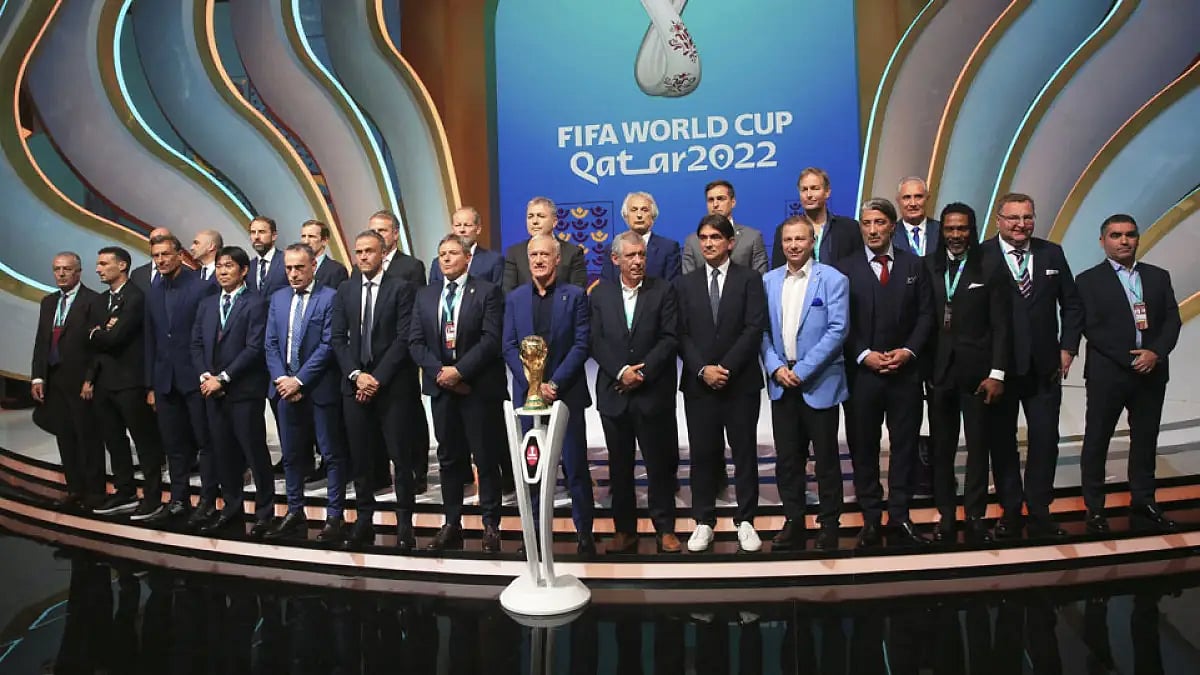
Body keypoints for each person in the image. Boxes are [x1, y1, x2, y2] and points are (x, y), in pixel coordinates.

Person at [980, 193, 1083, 539]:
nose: (1020, 224)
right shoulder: (981, 256)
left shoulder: (1051, 253)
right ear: (999, 220)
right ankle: (1010, 511)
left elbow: (1072, 304)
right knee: (1001, 441)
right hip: (1000, 370)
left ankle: (1039, 510)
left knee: (1045, 439)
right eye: (1013, 218)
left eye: (1027, 217)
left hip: (1044, 368)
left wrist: (1068, 347)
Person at [836, 198, 933, 547]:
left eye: (879, 222)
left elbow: (927, 315)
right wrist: (864, 355)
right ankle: (872, 518)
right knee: (864, 448)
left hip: (905, 374)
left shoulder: (914, 264)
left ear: (893, 225)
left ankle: (901, 515)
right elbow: (839, 321)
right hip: (862, 375)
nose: (873, 230)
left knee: (904, 446)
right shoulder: (843, 268)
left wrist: (908, 352)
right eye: (867, 223)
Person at [1077, 214, 1181, 534]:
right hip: (1109, 373)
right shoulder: (1087, 280)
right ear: (1102, 241)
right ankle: (1095, 508)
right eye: (1116, 235)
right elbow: (1091, 327)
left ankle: (1144, 501)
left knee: (1145, 440)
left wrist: (1155, 353)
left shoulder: (1158, 276)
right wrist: (1129, 358)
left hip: (1151, 372)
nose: (1124, 240)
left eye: (1130, 234)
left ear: (1137, 238)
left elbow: (1172, 321)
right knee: (1097, 440)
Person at [675, 214, 768, 552]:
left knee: (744, 453)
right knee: (702, 455)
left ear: (730, 242)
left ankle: (747, 520)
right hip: (699, 385)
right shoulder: (684, 284)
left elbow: (754, 328)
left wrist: (725, 367)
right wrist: (703, 369)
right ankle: (703, 521)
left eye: (715, 237)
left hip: (740, 382)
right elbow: (680, 333)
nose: (709, 243)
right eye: (703, 238)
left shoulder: (749, 280)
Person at [409, 234, 506, 552]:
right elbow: (415, 342)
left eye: (452, 253)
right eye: (442, 254)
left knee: (485, 458)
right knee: (449, 459)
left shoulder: (487, 291)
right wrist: (441, 373)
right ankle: (451, 523)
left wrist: (460, 371)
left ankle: (491, 525)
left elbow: (491, 340)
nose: (446, 259)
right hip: (442, 390)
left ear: (468, 258)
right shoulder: (426, 294)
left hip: (478, 389)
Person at [923, 203, 1011, 544]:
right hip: (939, 374)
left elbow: (1002, 325)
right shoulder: (928, 266)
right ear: (941, 231)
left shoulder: (990, 265)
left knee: (978, 448)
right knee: (941, 450)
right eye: (950, 229)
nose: (956, 235)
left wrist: (997, 372)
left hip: (979, 375)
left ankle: (975, 517)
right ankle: (946, 516)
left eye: (962, 228)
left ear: (972, 230)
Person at [760, 216, 850, 551]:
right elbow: (762, 331)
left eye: (800, 239)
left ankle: (829, 524)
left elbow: (838, 330)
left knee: (825, 460)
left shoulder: (833, 279)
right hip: (782, 382)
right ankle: (794, 521)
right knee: (787, 461)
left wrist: (804, 369)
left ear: (812, 241)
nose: (793, 245)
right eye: (788, 240)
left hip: (819, 382)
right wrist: (775, 367)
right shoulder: (768, 281)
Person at [503, 234, 595, 555]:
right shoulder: (514, 298)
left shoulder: (576, 296)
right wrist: (532, 384)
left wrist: (553, 384)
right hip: (528, 399)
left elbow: (582, 344)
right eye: (533, 255)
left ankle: (584, 533)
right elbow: (508, 346)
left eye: (545, 254)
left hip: (565, 394)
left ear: (558, 259)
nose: (539, 260)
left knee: (575, 467)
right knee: (533, 469)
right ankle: (535, 534)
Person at [591, 231, 682, 553]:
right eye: (630, 256)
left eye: (641, 255)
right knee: (620, 468)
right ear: (615, 259)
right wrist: (621, 372)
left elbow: (670, 338)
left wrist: (641, 373)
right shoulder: (600, 295)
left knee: (659, 466)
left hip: (652, 393)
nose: (638, 261)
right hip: (614, 394)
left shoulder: (663, 290)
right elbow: (595, 340)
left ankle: (665, 529)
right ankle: (625, 531)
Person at [331, 230, 420, 551]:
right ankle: (364, 519)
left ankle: (405, 523)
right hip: (354, 386)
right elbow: (337, 338)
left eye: (369, 251)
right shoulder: (345, 289)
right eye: (359, 252)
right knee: (361, 458)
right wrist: (357, 376)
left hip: (392, 387)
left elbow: (403, 338)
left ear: (383, 253)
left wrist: (376, 379)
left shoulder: (401, 288)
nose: (363, 256)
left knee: (400, 457)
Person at [263, 243, 347, 545]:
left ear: (313, 266)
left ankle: (334, 517)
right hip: (284, 389)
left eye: (299, 267)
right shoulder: (278, 298)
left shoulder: (330, 297)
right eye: (289, 268)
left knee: (331, 454)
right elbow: (271, 344)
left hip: (319, 388)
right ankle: (294, 511)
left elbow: (328, 345)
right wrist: (282, 380)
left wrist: (299, 381)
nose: (294, 273)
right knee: (292, 456)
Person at [190, 246, 274, 537]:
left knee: (254, 453)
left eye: (228, 266)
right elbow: (196, 343)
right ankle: (231, 509)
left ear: (244, 270)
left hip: (243, 391)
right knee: (223, 453)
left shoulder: (256, 303)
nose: (223, 271)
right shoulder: (207, 303)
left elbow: (254, 348)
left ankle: (265, 514)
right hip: (211, 390)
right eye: (219, 266)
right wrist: (205, 374)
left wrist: (223, 378)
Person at [142, 234, 219, 526]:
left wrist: (208, 373)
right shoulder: (153, 291)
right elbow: (151, 339)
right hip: (165, 380)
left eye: (165, 254)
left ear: (179, 255)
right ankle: (178, 500)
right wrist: (150, 384)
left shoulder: (202, 286)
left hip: (195, 378)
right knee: (173, 445)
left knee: (205, 442)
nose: (161, 260)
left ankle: (208, 501)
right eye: (156, 256)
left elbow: (209, 335)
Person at [85, 247, 164, 518]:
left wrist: (99, 333)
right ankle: (125, 490)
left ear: (122, 266)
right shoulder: (99, 301)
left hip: (131, 382)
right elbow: (91, 339)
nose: (98, 269)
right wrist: (99, 335)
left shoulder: (136, 298)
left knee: (144, 442)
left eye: (104, 263)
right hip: (104, 382)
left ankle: (152, 497)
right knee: (114, 440)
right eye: (98, 264)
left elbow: (115, 337)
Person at [30, 252, 103, 510]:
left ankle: (95, 492)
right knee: (65, 436)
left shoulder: (93, 301)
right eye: (57, 269)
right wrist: (38, 376)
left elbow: (97, 348)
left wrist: (90, 378)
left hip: (81, 381)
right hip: (54, 379)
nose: (61, 274)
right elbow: (41, 341)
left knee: (88, 436)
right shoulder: (48, 302)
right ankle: (74, 489)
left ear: (78, 272)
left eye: (66, 269)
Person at [368, 210, 430, 492]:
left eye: (382, 230)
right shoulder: (361, 267)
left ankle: (417, 472)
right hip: (371, 355)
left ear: (395, 234)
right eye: (373, 230)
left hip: (401, 352)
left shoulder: (411, 266)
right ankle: (381, 473)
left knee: (408, 414)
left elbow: (415, 312)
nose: (377, 235)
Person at [770, 168, 861, 268]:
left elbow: (859, 268)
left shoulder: (849, 228)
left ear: (827, 192)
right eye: (804, 189)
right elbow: (778, 271)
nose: (809, 195)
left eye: (814, 188)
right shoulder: (785, 230)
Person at [503, 196, 588, 292]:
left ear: (554, 222)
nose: (535, 221)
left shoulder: (573, 253)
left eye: (541, 216)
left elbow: (578, 293)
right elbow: (508, 293)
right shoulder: (514, 253)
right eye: (530, 216)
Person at [683, 180, 768, 274]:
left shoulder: (752, 238)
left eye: (720, 199)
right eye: (711, 200)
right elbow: (688, 280)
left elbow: (759, 278)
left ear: (733, 202)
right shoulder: (692, 241)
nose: (715, 205)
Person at [599, 192, 682, 283]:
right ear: (626, 216)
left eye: (644, 210)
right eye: (634, 210)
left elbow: (673, 286)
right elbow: (605, 286)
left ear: (653, 216)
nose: (639, 215)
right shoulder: (611, 249)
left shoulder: (668, 248)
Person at [430, 206, 504, 285]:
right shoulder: (438, 263)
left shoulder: (493, 260)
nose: (462, 230)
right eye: (458, 225)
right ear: (452, 229)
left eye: (467, 225)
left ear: (478, 229)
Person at [893, 177, 940, 257]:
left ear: (927, 198)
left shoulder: (942, 230)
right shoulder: (890, 234)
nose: (913, 203)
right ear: (898, 201)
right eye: (907, 197)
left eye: (918, 197)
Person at [300, 219, 350, 289]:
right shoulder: (294, 268)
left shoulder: (336, 270)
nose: (306, 241)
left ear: (325, 241)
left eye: (311, 236)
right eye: (303, 236)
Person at [247, 217, 288, 297]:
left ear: (274, 236)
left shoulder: (286, 261)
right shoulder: (249, 266)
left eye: (261, 232)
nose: (256, 237)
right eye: (253, 232)